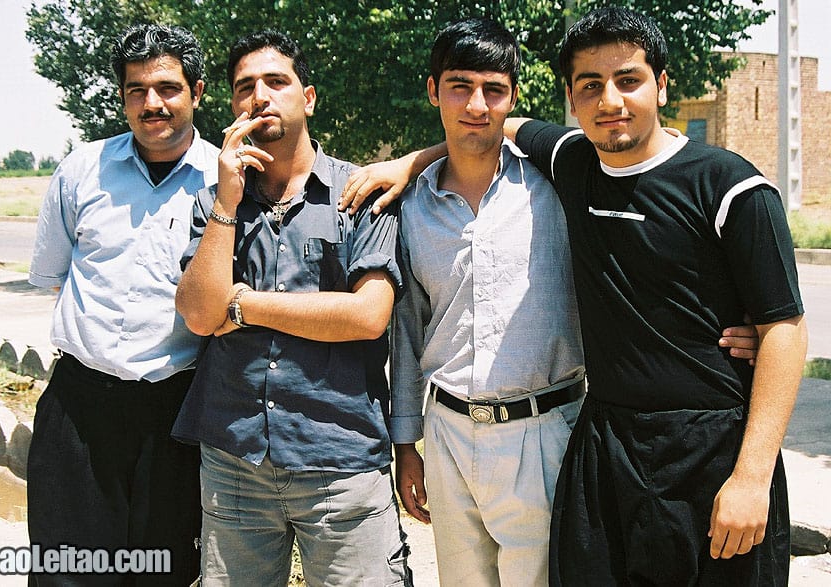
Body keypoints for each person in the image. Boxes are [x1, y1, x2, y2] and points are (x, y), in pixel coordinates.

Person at [343, 7, 806, 586]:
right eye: (591, 86)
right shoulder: (574, 162)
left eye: (629, 80)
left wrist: (752, 476)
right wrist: (411, 162)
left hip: (710, 447)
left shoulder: (730, 186)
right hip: (604, 447)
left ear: (662, 84)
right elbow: (492, 125)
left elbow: (785, 328)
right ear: (572, 97)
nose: (610, 100)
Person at [170, 30, 412, 586]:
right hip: (235, 463)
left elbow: (367, 315)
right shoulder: (216, 202)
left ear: (308, 97)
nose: (259, 96)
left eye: (276, 82)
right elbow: (201, 314)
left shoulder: (362, 191)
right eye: (244, 87)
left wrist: (246, 305)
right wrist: (228, 199)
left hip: (340, 459)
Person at [382, 17, 585, 586]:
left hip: (546, 431)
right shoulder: (410, 207)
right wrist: (407, 444)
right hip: (446, 433)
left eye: (493, 90)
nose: (477, 104)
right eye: (459, 86)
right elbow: (408, 331)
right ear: (433, 91)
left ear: (512, 98)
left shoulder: (554, 187)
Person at [27, 24, 218, 585]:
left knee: (163, 571)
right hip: (79, 412)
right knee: (67, 573)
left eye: (167, 88)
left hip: (176, 417)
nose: (151, 104)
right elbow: (54, 276)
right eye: (136, 90)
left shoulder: (227, 179)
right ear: (122, 98)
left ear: (197, 92)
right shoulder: (81, 171)